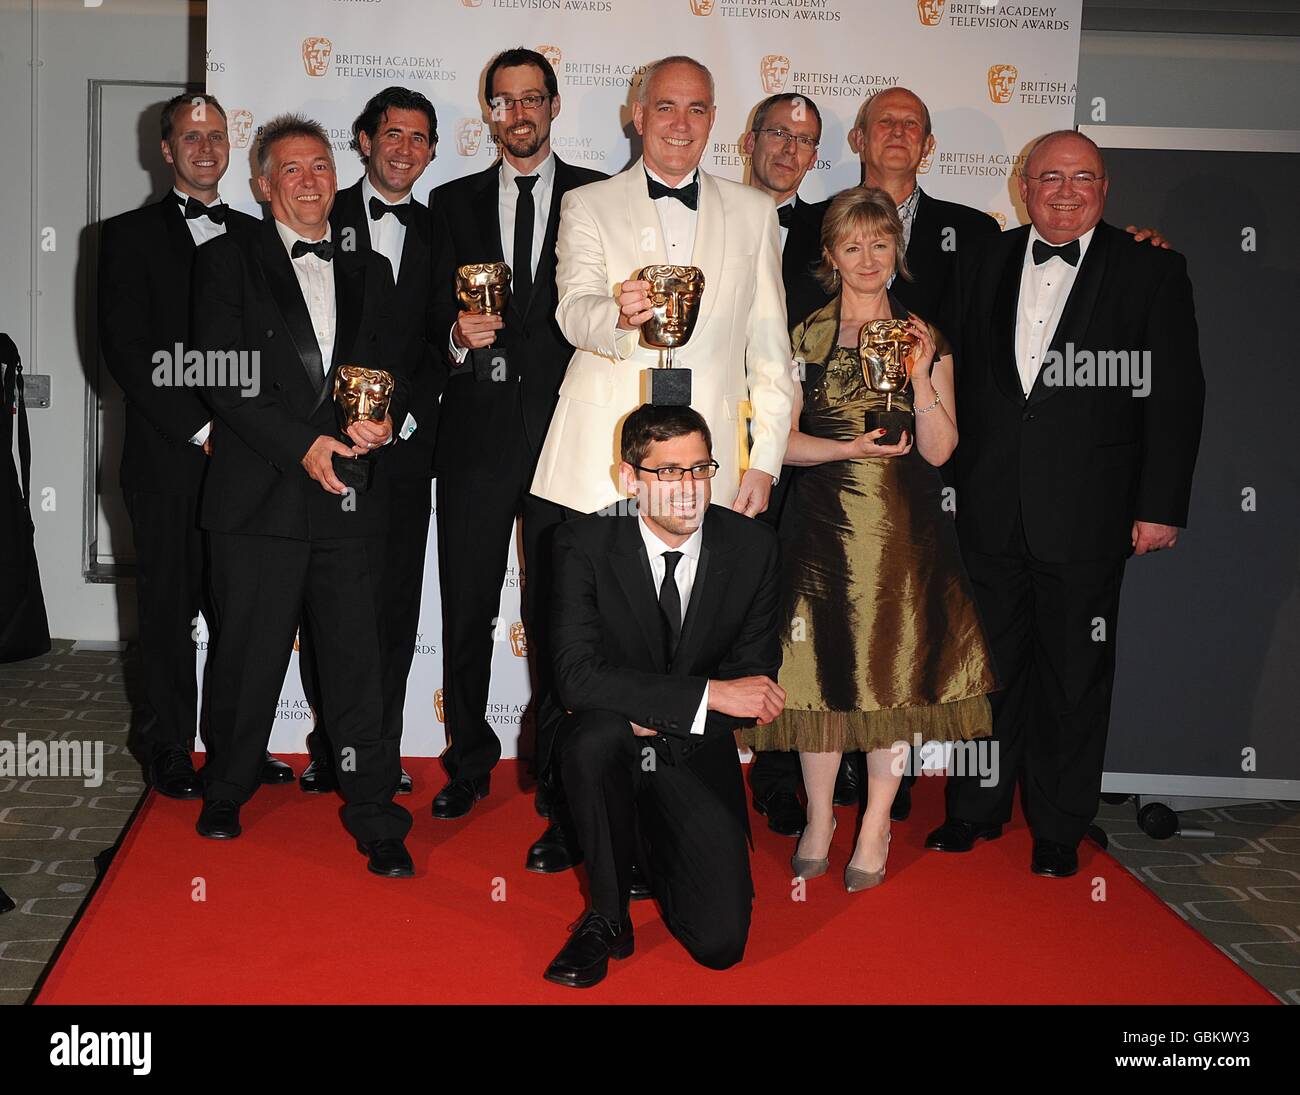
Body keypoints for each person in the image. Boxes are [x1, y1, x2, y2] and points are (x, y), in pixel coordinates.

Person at [929, 131, 1205, 877]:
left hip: (1091, 513)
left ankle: (1057, 824)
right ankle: (975, 809)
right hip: (988, 507)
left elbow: (1175, 398)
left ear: (1105, 188)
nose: (1064, 190)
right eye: (1049, 176)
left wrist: (1161, 505)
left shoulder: (1151, 268)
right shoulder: (982, 258)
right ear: (1024, 184)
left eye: (1082, 177)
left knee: (1074, 675)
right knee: (989, 669)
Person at [742, 187, 996, 892]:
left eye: (879, 244)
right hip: (820, 529)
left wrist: (919, 380)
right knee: (817, 678)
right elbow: (776, 445)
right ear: (830, 256)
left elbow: (942, 450)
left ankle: (877, 820)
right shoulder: (802, 337)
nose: (866, 258)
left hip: (903, 533)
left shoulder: (927, 336)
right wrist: (844, 449)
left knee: (895, 677)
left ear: (897, 251)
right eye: (851, 246)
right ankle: (821, 815)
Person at [190, 115, 416, 878]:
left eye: (320, 166)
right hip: (260, 495)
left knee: (357, 663)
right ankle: (226, 786)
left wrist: (384, 420)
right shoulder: (225, 261)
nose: (312, 179)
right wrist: (304, 445)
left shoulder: (370, 269)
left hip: (348, 498)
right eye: (292, 169)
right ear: (262, 185)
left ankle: (376, 811)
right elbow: (222, 381)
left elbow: (391, 369)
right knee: (246, 655)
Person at [427, 50, 605, 876]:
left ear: (555, 105)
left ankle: (560, 772)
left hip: (572, 437)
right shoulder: (449, 201)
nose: (520, 113)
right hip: (473, 440)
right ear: (489, 111)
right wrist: (456, 342)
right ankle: (468, 761)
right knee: (466, 606)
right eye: (505, 101)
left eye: (534, 98)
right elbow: (425, 318)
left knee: (566, 616)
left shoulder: (601, 195)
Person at [544, 404, 784, 988]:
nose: (689, 489)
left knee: (722, 944)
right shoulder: (581, 543)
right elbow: (576, 677)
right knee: (597, 734)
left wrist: (669, 711)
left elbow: (752, 685)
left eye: (701, 469)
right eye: (668, 472)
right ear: (630, 479)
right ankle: (607, 916)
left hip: (694, 751)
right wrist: (698, 697)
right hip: (605, 745)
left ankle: (646, 849)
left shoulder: (752, 548)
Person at [97, 93, 288, 798]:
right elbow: (127, 351)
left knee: (245, 609)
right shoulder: (122, 237)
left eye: (215, 135)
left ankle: (237, 748)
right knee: (168, 609)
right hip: (170, 458)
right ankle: (168, 746)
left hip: (251, 460)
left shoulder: (259, 233)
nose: (206, 146)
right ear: (167, 150)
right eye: (191, 136)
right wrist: (205, 427)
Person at [533, 55, 794, 523]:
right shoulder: (587, 204)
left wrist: (764, 462)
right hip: (602, 456)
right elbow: (572, 310)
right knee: (599, 595)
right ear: (638, 115)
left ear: (713, 118)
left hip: (711, 461)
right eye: (665, 107)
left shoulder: (755, 213)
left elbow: (771, 353)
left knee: (697, 597)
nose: (680, 124)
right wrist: (616, 314)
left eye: (696, 109)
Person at [297, 86, 457, 799]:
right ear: (363, 140)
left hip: (401, 450)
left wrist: (407, 419)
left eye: (419, 138)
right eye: (392, 134)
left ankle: (381, 747)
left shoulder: (440, 229)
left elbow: (439, 342)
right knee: (323, 603)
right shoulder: (315, 215)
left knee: (393, 605)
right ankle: (332, 747)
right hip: (323, 448)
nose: (404, 149)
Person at [744, 92, 878, 835]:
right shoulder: (712, 209)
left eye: (806, 141)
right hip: (713, 445)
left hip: (806, 461)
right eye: (779, 134)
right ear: (751, 138)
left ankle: (783, 773)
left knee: (794, 622)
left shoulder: (832, 230)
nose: (790, 150)